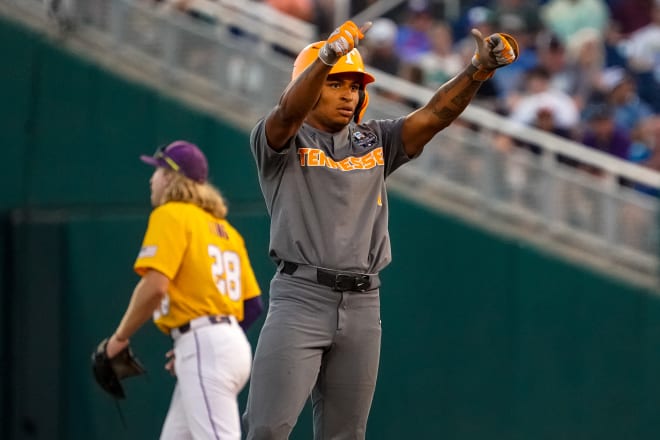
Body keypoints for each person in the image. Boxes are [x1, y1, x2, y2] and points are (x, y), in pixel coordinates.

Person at [242, 19, 518, 440]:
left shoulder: (374, 139)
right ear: (310, 84)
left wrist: (475, 71)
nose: (349, 95)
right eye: (337, 84)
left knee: (346, 435)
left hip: (363, 302)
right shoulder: (281, 139)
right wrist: (327, 57)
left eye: (354, 86)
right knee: (268, 429)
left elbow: (432, 117)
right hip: (301, 297)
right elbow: (287, 112)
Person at [101, 140, 263, 439]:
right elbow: (252, 305)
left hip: (205, 345)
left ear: (170, 176)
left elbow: (155, 287)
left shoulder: (171, 214)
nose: (152, 179)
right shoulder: (226, 230)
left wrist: (119, 339)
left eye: (157, 170)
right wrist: (203, 346)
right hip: (229, 345)